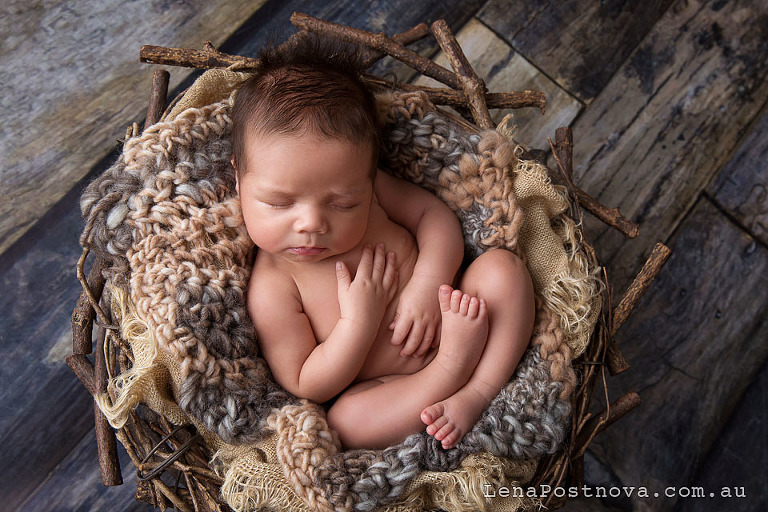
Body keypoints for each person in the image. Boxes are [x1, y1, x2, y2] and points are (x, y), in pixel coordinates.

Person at [230, 37, 534, 450]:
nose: (312, 223)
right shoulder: (273, 284)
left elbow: (435, 219)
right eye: (279, 203)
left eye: (343, 203)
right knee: (345, 423)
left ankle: (478, 391)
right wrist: (360, 321)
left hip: (458, 310)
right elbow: (306, 380)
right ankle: (450, 372)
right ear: (238, 179)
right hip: (393, 388)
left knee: (502, 269)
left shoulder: (374, 196)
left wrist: (428, 285)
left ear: (368, 179)